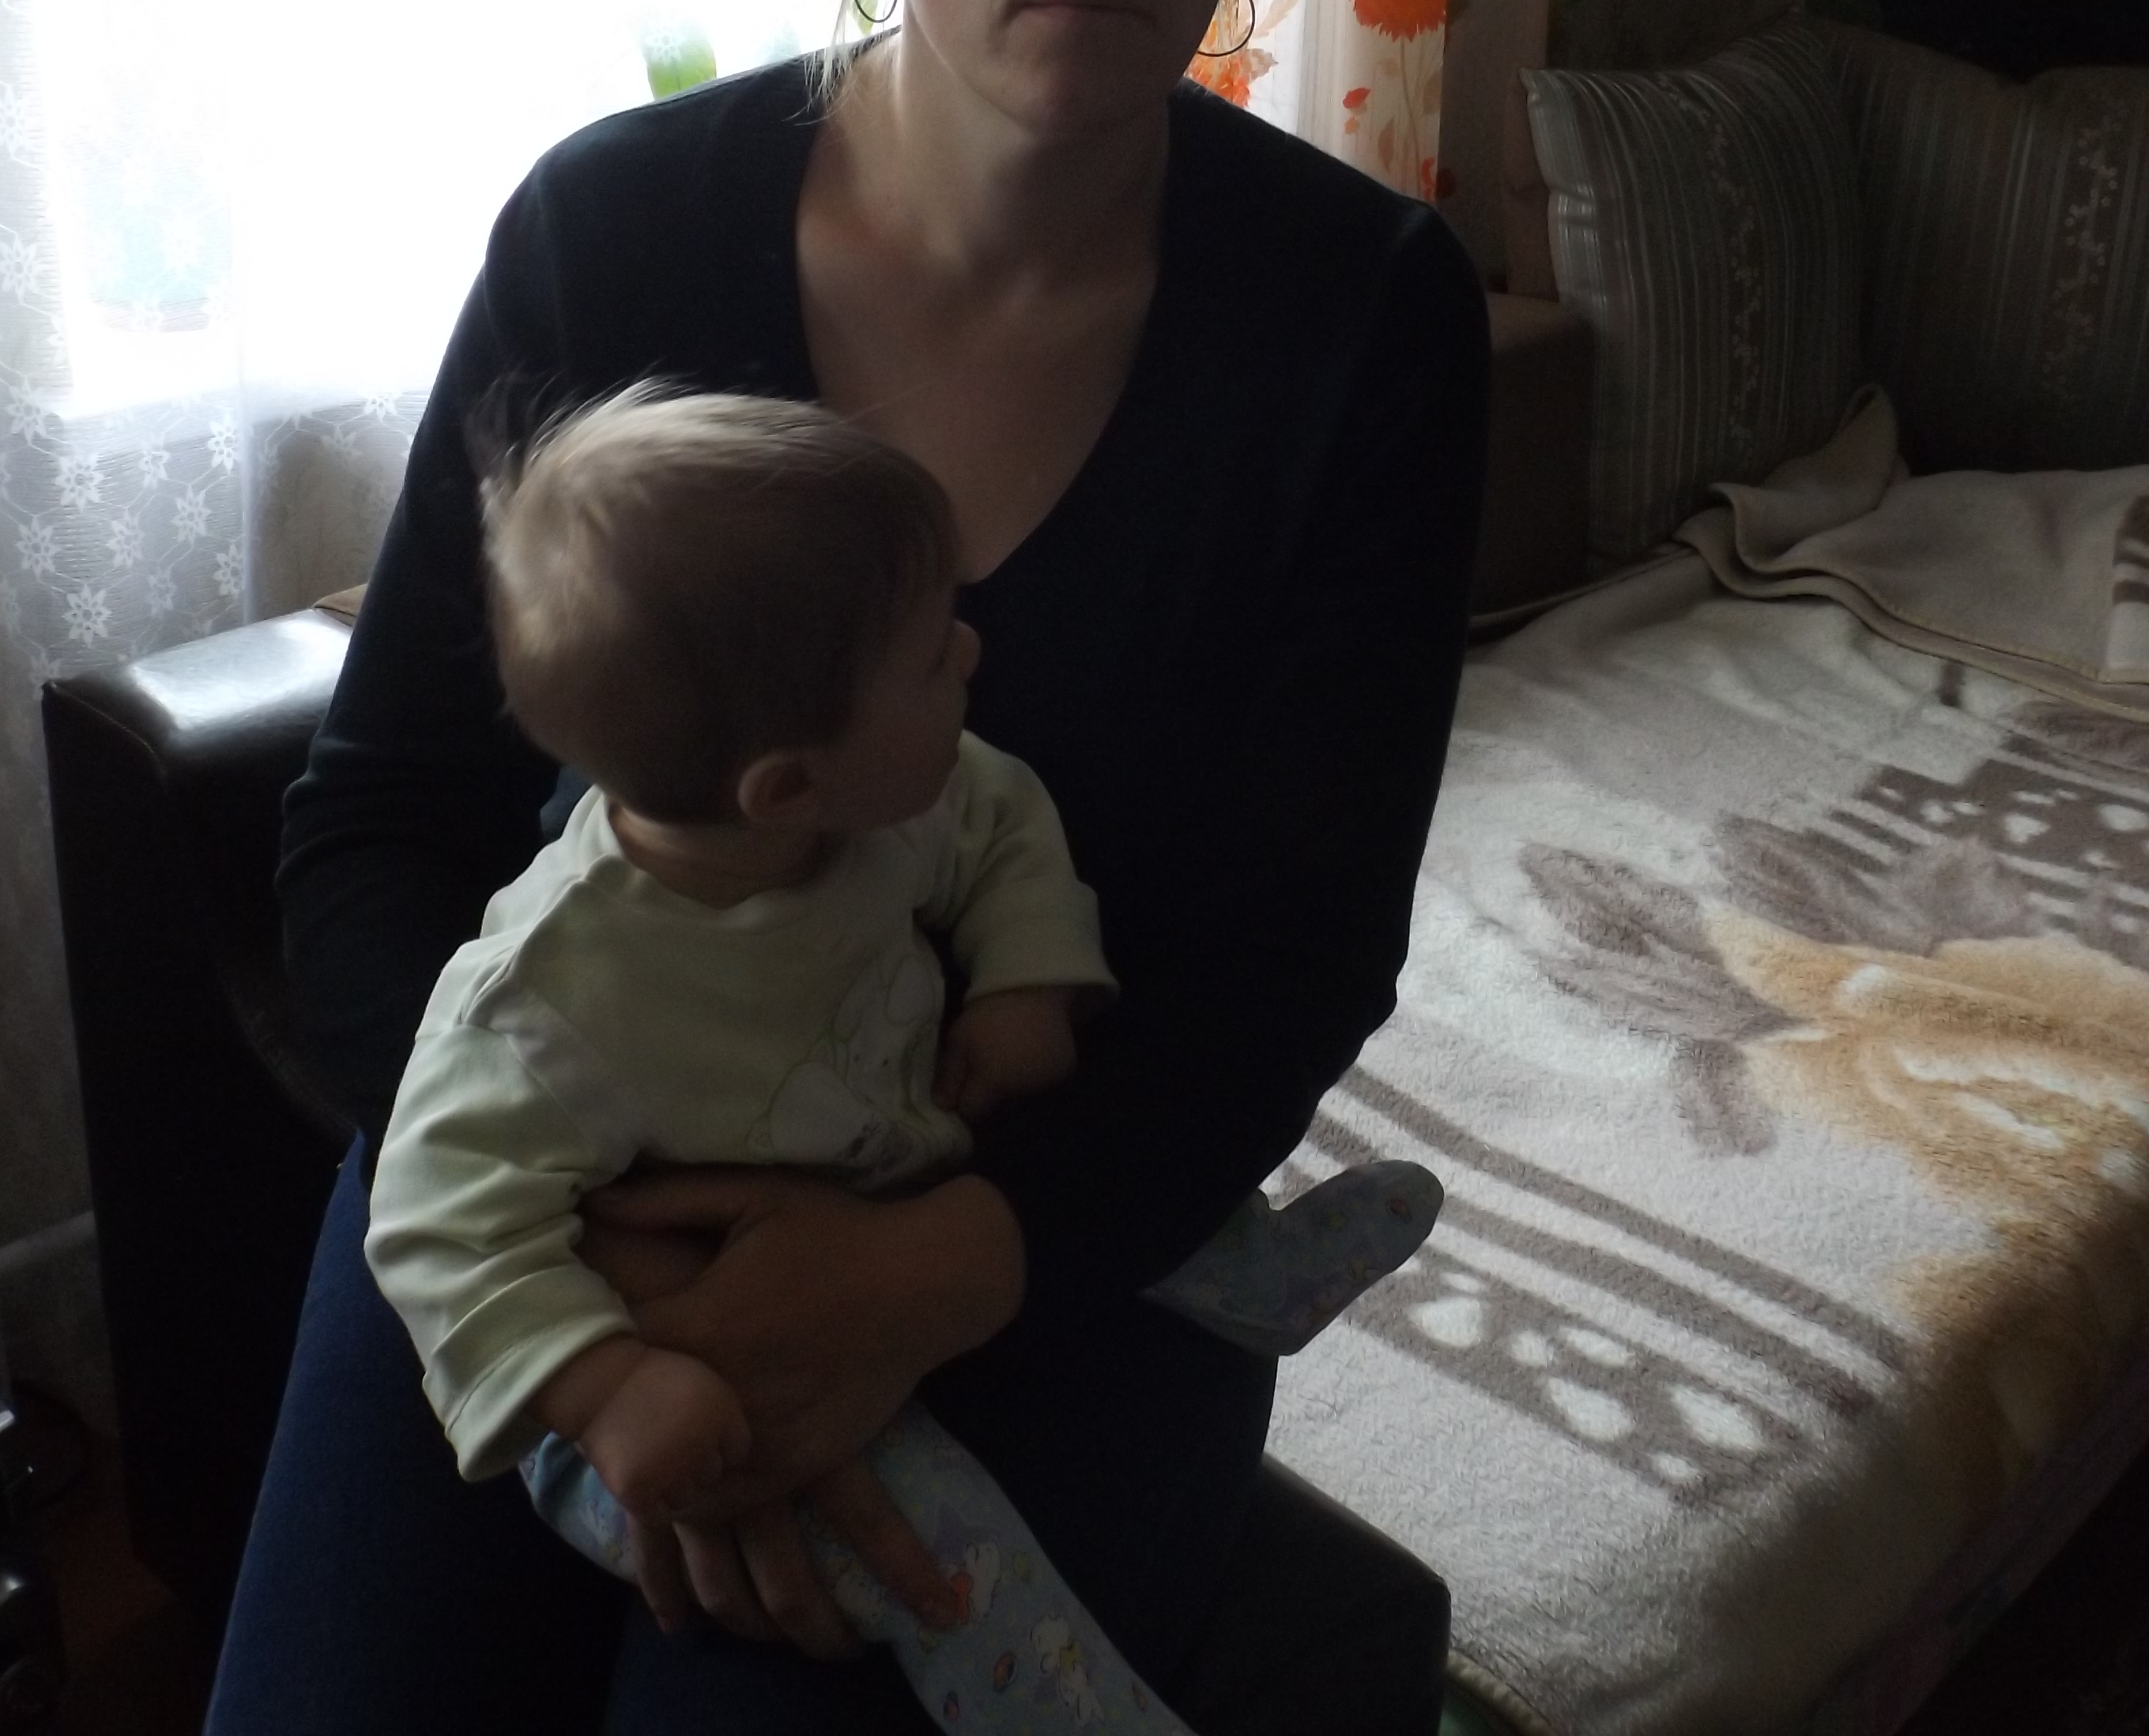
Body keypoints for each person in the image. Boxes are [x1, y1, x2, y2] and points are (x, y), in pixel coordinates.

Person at [211, 0, 1489, 1736]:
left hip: (1046, 1234)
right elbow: (375, 827)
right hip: (539, 1192)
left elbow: (1293, 960)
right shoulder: (612, 237)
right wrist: (611, 1282)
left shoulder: (1360, 321)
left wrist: (923, 1274)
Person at [365, 386, 1445, 1735]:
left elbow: (1001, 821)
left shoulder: (882, 805)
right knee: (934, 1540)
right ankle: (1066, 1704)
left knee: (1122, 1162)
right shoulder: (546, 1005)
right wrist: (607, 1384)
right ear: (785, 786)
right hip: (661, 1368)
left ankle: (1247, 1270)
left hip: (899, 1179)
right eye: (932, 657)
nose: (973, 653)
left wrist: (1024, 977)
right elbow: (434, 1225)